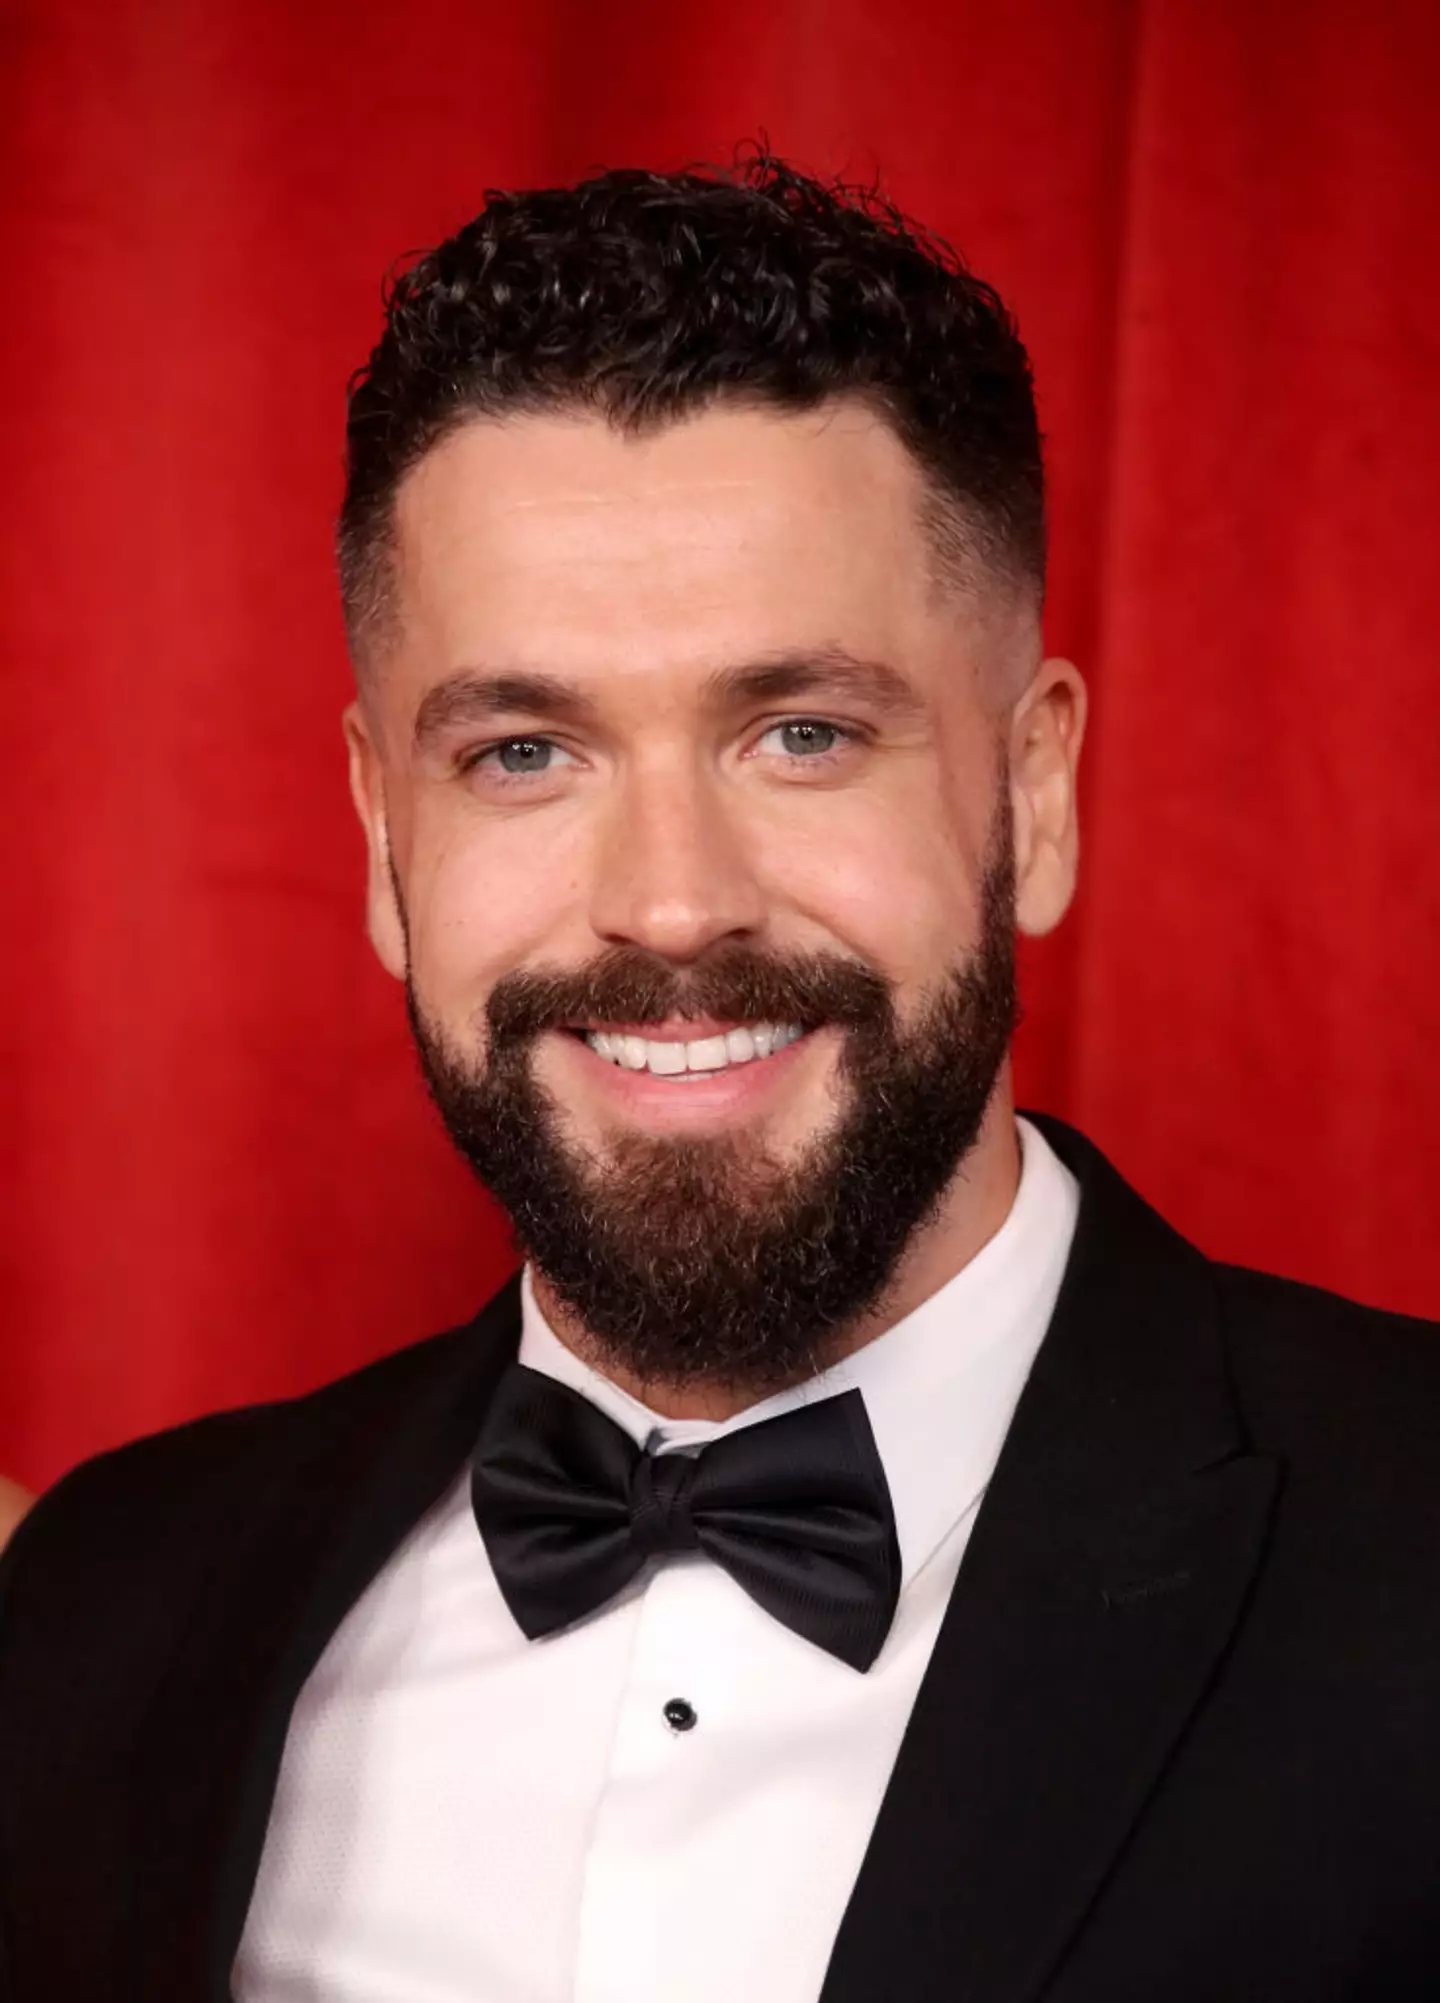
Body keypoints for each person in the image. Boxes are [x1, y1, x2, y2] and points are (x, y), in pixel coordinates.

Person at [1, 155, 1437, 2003]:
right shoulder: (104, 1600)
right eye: (525, 751)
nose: (670, 901)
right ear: (380, 834)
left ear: (1041, 792)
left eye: (803, 732)